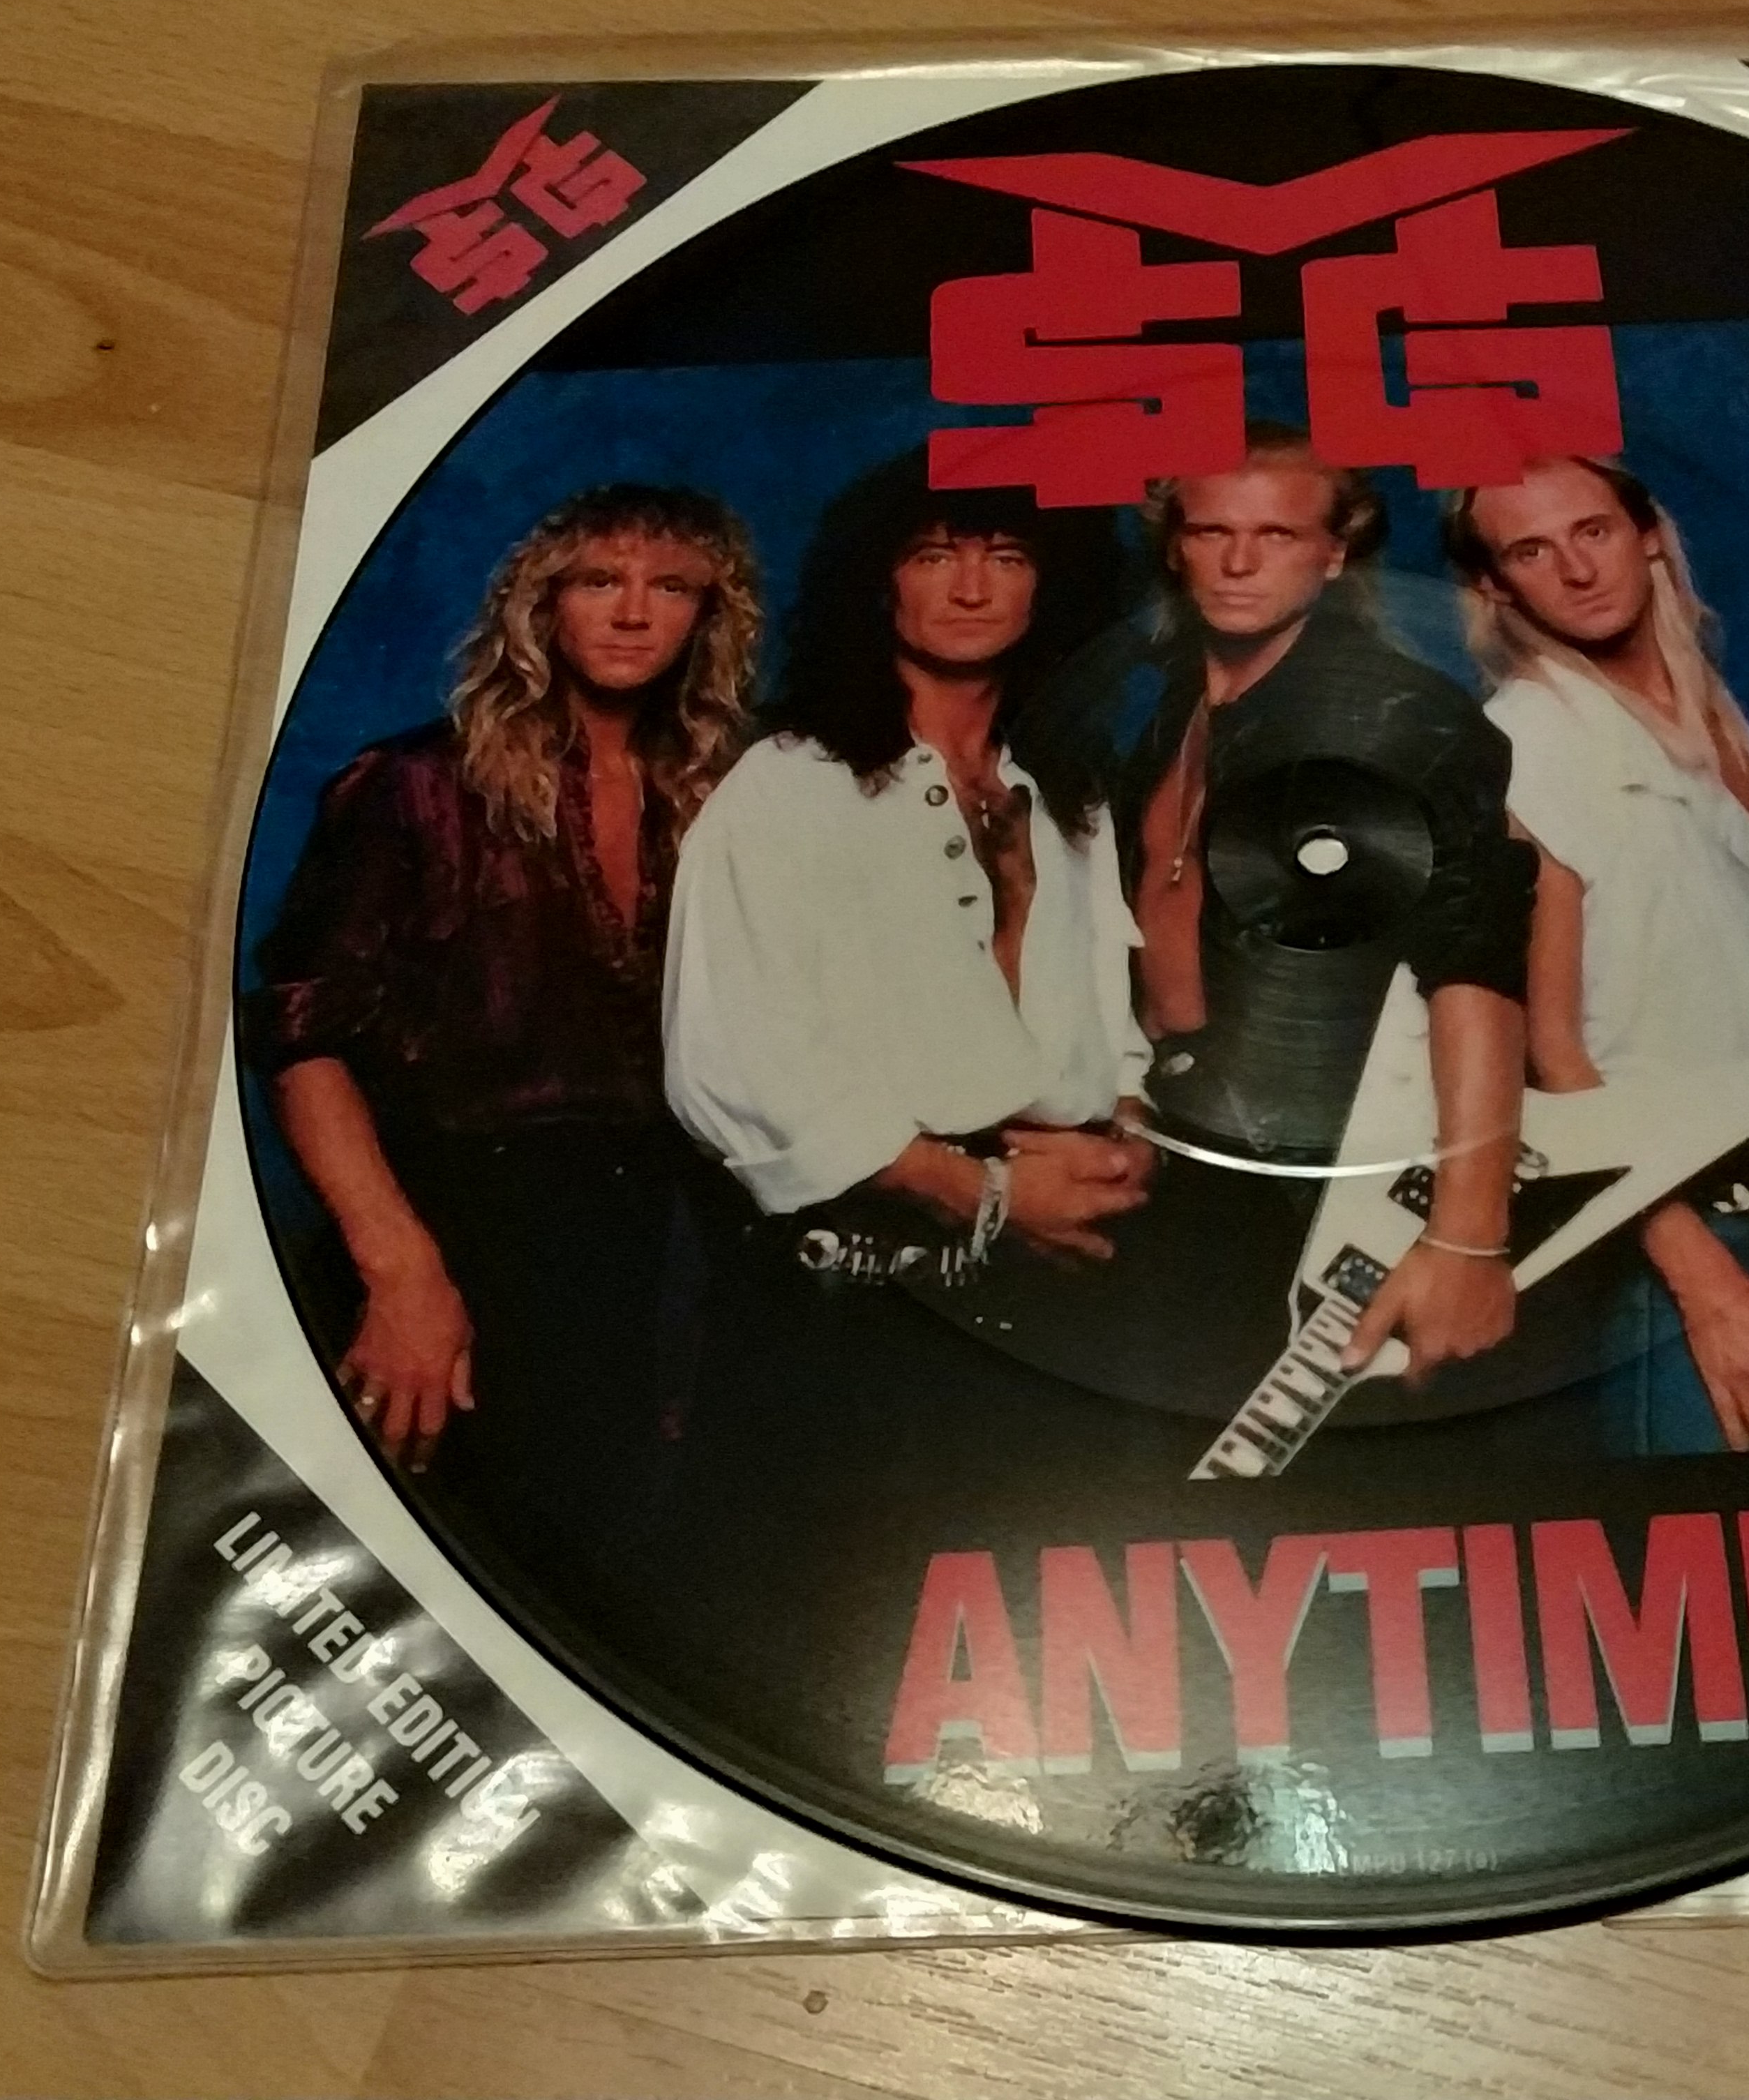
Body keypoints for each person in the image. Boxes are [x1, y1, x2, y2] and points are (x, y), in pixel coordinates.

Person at [246, 482, 761, 1574]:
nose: (633, 612)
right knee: (422, 1562)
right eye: (599, 580)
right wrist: (400, 1271)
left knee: (614, 1562)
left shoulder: (732, 799)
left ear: (709, 618)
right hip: (452, 1225)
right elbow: (302, 1034)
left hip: (648, 1252)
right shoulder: (415, 787)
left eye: (671, 587)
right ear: (542, 603)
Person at [1443, 454, 1749, 1453]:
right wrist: (1702, 1278)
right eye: (1530, 551)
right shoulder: (1524, 744)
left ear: (1646, 533)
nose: (1576, 569)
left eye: (1592, 531)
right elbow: (1548, 1054)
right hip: (1690, 1230)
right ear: (1495, 586)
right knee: (1730, 1534)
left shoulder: (1708, 714)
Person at [1106, 422, 1538, 1391]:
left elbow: (1475, 959)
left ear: (1335, 554)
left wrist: (1468, 1235)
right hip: (1182, 1161)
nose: (1239, 563)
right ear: (1174, 546)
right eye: (1212, 531)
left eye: (1278, 535)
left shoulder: (1396, 712)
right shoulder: (1169, 713)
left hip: (1335, 1179)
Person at [661, 450, 1151, 1285]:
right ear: (878, 584)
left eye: (1007, 558)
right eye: (933, 557)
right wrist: (974, 1191)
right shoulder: (792, 782)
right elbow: (729, 1056)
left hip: (1064, 1225)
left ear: (1050, 586)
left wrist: (1131, 1138)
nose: (971, 590)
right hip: (870, 1247)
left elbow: (1107, 1007)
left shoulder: (1068, 789)